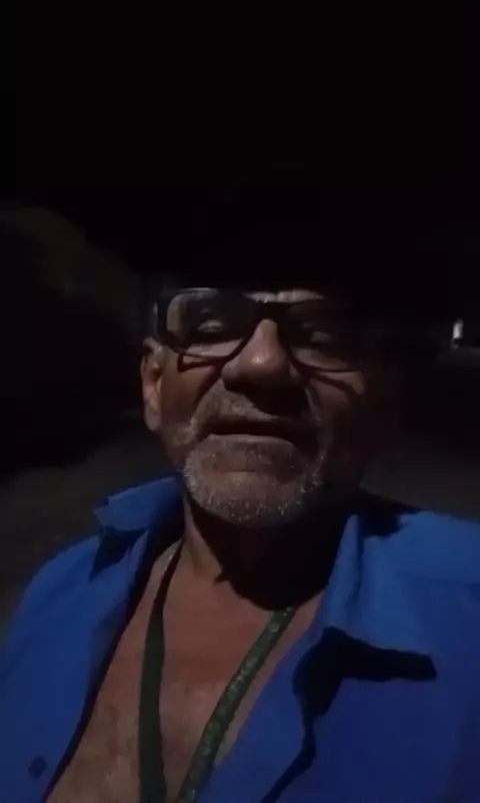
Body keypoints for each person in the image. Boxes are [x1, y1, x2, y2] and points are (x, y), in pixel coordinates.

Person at [1, 172, 480, 803]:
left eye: (324, 333)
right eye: (209, 322)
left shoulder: (468, 615)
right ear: (153, 386)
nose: (261, 364)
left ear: (383, 403)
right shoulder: (59, 589)